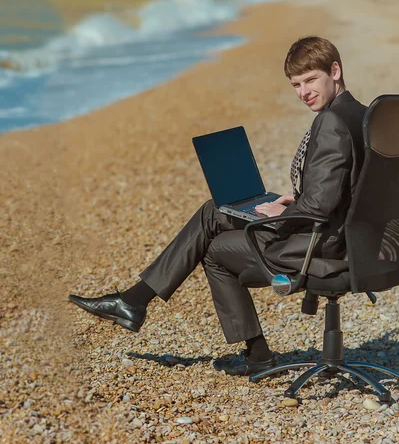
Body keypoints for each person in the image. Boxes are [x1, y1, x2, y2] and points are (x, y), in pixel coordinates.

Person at [69, 36, 367, 376]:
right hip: (346, 235)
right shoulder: (360, 113)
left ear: (335, 70)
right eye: (296, 85)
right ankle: (134, 302)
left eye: (311, 80)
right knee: (215, 210)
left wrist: (286, 212)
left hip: (320, 242)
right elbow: (344, 185)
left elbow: (320, 206)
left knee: (215, 248)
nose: (303, 92)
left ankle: (251, 353)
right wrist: (293, 200)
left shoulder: (329, 122)